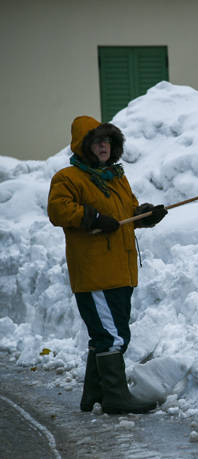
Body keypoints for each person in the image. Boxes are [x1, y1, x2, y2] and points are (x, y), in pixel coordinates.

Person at [47, 115, 167, 414]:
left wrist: (145, 215)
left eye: (108, 141)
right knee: (112, 336)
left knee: (106, 333)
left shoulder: (116, 177)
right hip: (95, 272)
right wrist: (93, 218)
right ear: (83, 146)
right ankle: (115, 398)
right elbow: (59, 210)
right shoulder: (68, 178)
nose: (103, 146)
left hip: (121, 270)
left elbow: (125, 215)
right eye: (97, 141)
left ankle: (94, 393)